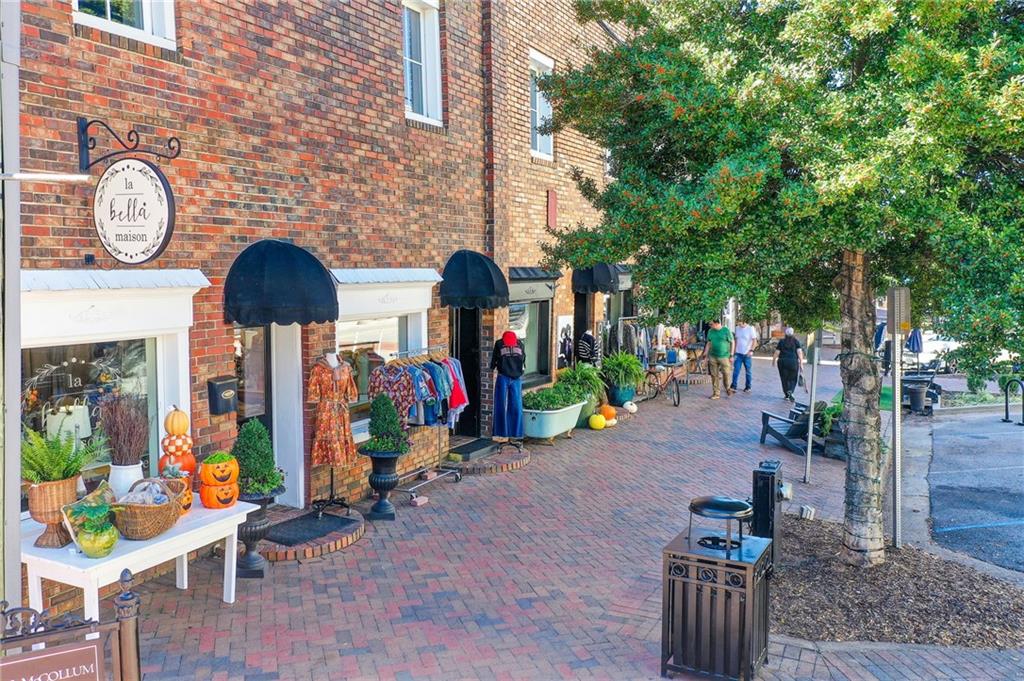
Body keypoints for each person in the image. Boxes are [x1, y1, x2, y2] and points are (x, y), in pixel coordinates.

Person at [702, 320, 735, 399]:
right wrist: (705, 353)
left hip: (724, 356)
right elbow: (709, 342)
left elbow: (732, 342)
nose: (710, 325)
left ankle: (727, 388)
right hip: (713, 356)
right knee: (714, 375)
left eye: (711, 324)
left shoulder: (726, 331)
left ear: (717, 323)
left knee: (726, 373)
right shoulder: (710, 331)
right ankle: (716, 393)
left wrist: (731, 355)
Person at [773, 327, 804, 401]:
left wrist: (773, 360)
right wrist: (801, 363)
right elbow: (799, 352)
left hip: (782, 362)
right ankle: (791, 390)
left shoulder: (782, 341)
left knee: (784, 378)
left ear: (785, 334)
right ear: (793, 333)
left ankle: (786, 394)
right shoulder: (796, 341)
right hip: (793, 362)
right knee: (793, 378)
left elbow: (777, 352)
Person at [730, 320, 757, 393]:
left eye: (740, 323)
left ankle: (748, 387)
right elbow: (736, 340)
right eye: (738, 323)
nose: (739, 325)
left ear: (744, 321)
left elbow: (755, 341)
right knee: (736, 370)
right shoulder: (737, 328)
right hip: (738, 354)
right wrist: (734, 352)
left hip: (747, 354)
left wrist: (751, 350)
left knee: (748, 371)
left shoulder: (751, 328)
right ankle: (733, 386)